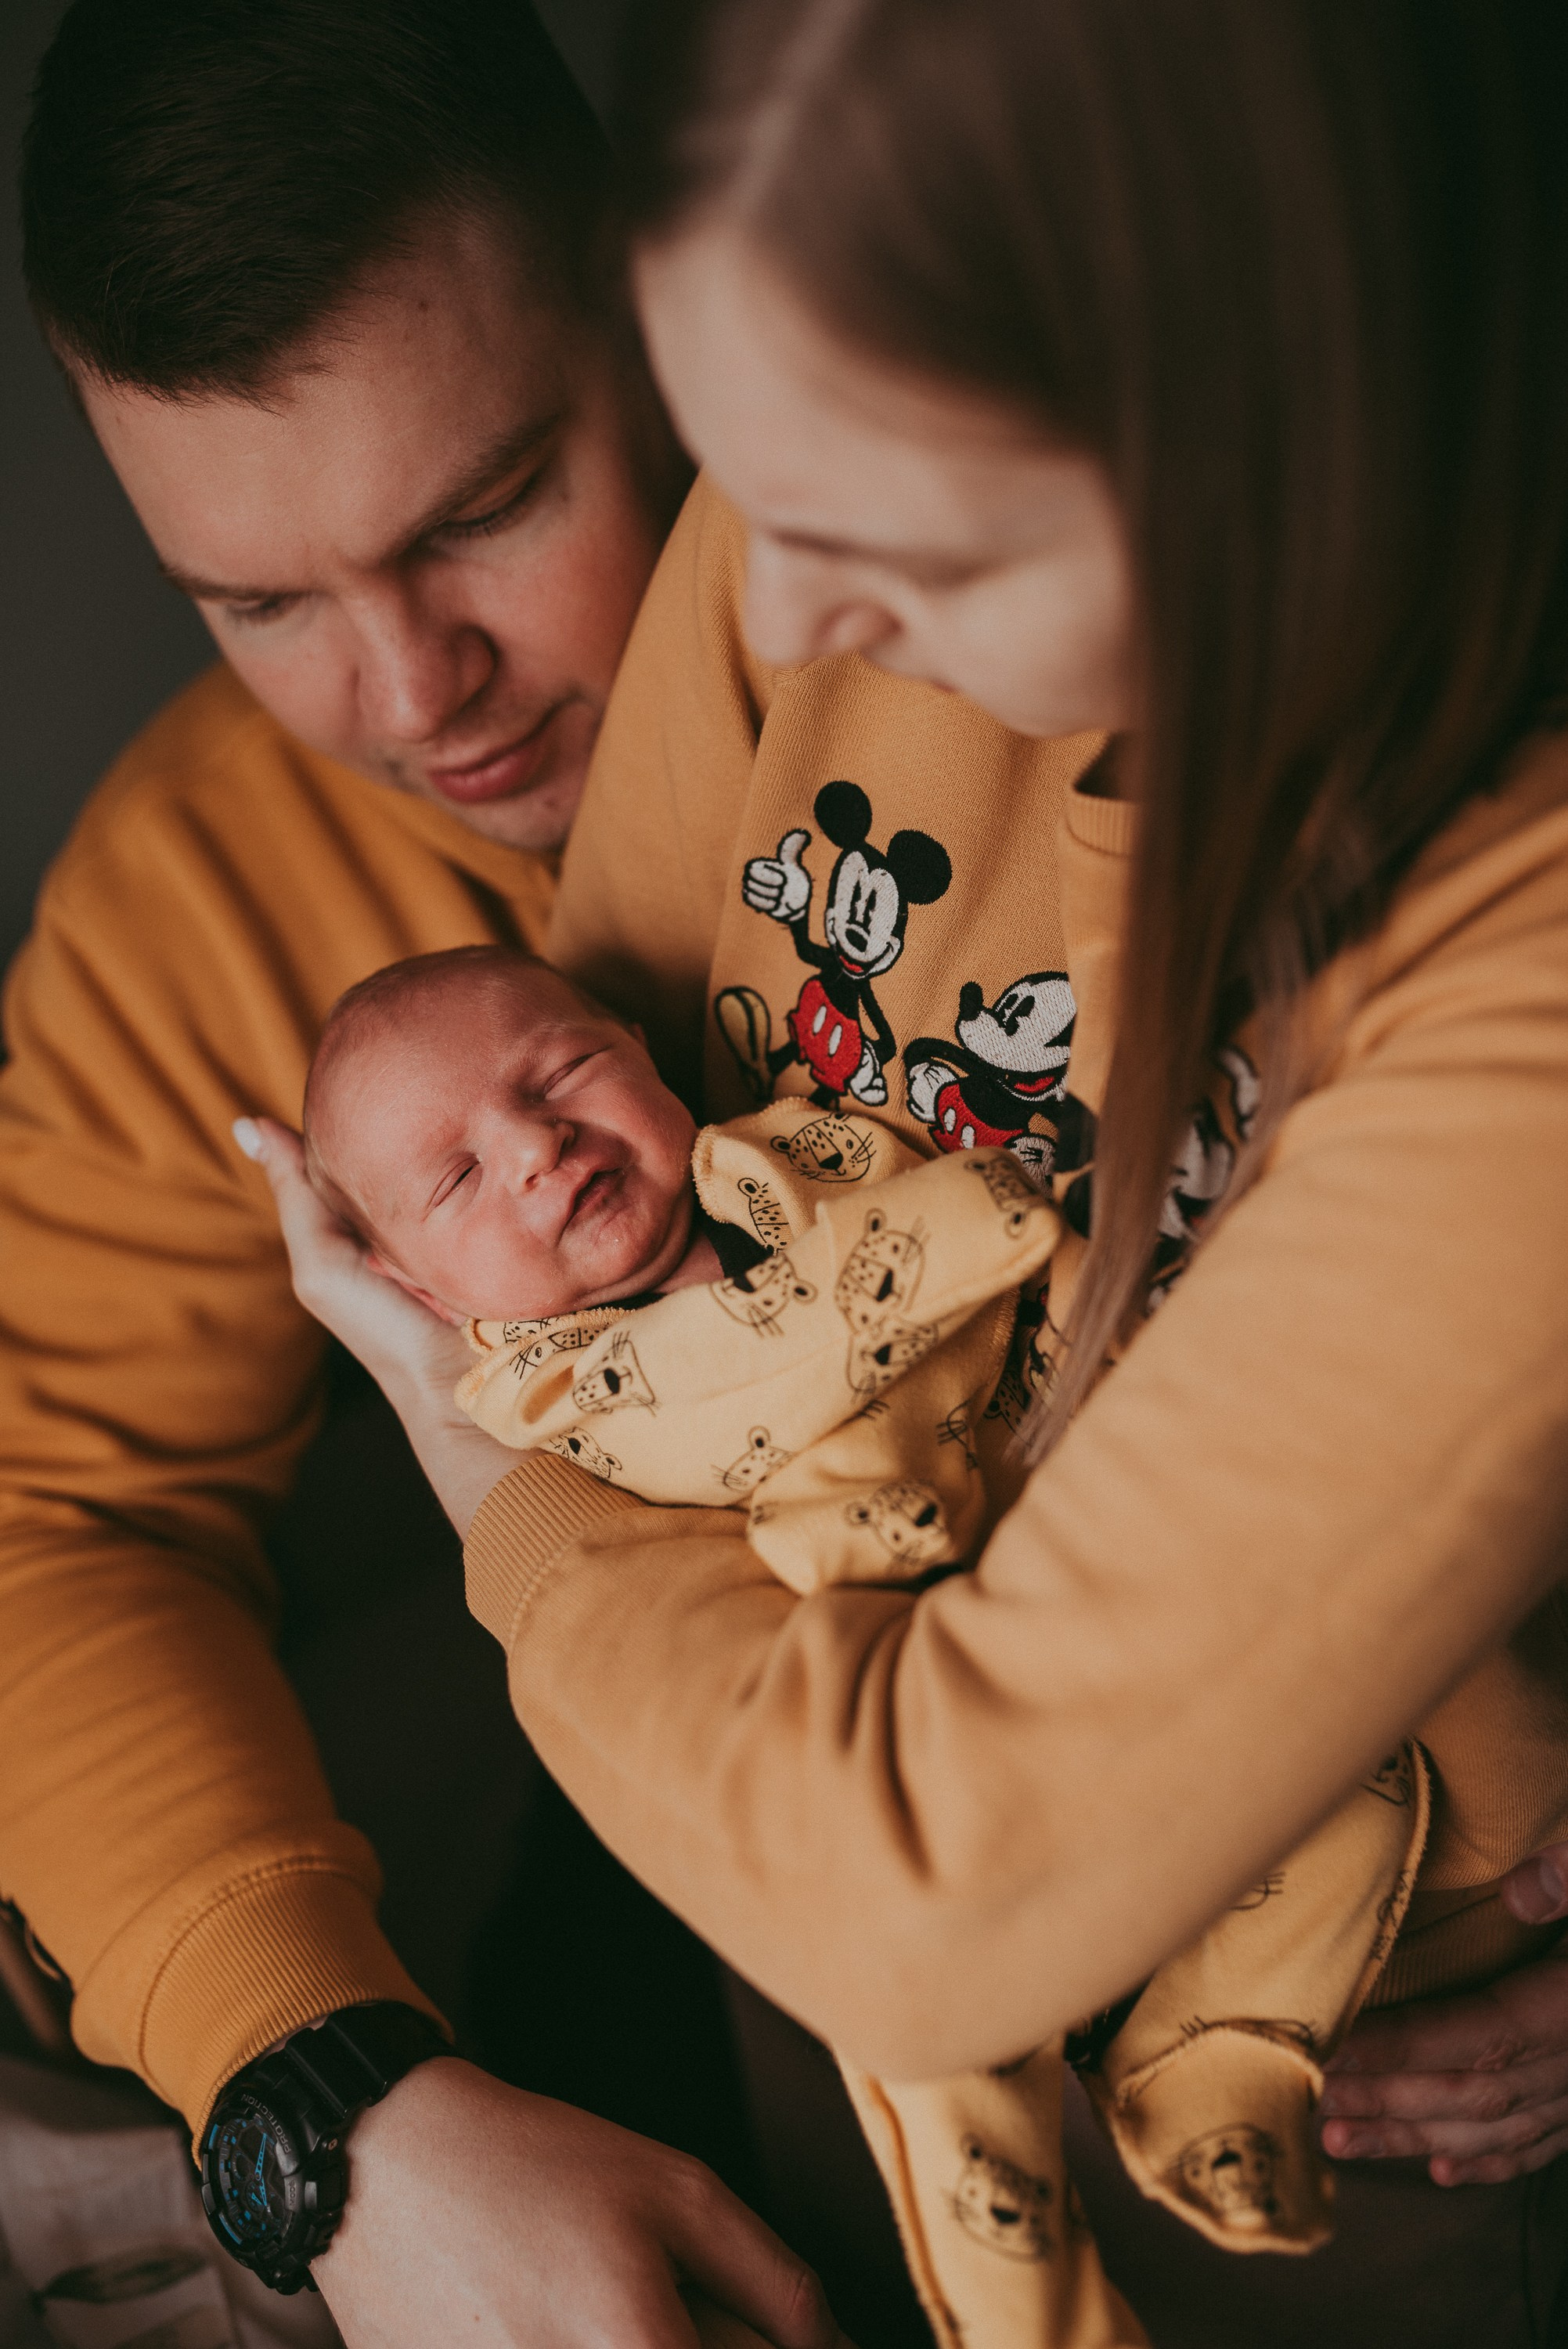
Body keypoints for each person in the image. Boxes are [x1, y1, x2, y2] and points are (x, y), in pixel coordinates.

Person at [253, 2, 1568, 2343]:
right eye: (751, 509)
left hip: (1366, 2066)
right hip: (799, 1967)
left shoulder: (1507, 945)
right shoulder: (787, 573)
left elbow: (925, 1880)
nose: (757, 633)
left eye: (879, 537)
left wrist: (488, 1468)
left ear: (1234, 432)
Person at [4, 4, 860, 2346]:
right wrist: (331, 2095)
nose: (409, 697)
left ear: (657, 309)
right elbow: (61, 1516)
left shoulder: (996, 603)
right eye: (258, 603)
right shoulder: (184, 900)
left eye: (482, 509)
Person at [292, 940, 1437, 2349]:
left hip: (1085, 1558)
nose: (535, 1144)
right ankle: (1030, 2319)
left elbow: (938, 1223)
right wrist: (920, 1268)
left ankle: (1220, 2069)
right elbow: (732, 1396)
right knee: (926, 2045)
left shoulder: (795, 1160)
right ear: (421, 1296)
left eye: (565, 1071)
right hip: (888, 1708)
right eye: (457, 1180)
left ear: (647, 1056)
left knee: (1353, 1788)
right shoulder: (546, 1387)